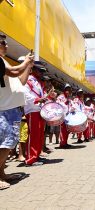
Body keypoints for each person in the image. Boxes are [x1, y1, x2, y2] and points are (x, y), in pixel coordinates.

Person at [0, 34, 34, 189]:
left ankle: (2, 173)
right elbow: (14, 72)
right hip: (4, 109)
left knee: (9, 142)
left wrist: (28, 66)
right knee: (5, 144)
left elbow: (20, 81)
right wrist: (25, 61)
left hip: (12, 109)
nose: (6, 45)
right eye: (3, 43)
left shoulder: (3, 61)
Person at [23, 63, 49, 166]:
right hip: (32, 110)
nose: (41, 73)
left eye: (42, 71)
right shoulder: (28, 80)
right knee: (33, 135)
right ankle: (30, 159)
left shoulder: (38, 82)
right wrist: (39, 99)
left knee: (39, 135)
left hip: (39, 111)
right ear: (33, 70)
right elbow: (25, 94)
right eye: (40, 71)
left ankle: (36, 156)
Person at [56, 83, 74, 148]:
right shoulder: (61, 96)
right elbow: (57, 104)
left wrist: (72, 108)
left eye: (69, 89)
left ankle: (65, 142)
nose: (68, 91)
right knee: (63, 130)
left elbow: (71, 106)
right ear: (64, 89)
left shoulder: (69, 98)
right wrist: (65, 103)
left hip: (68, 117)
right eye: (67, 89)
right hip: (62, 116)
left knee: (67, 131)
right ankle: (62, 143)